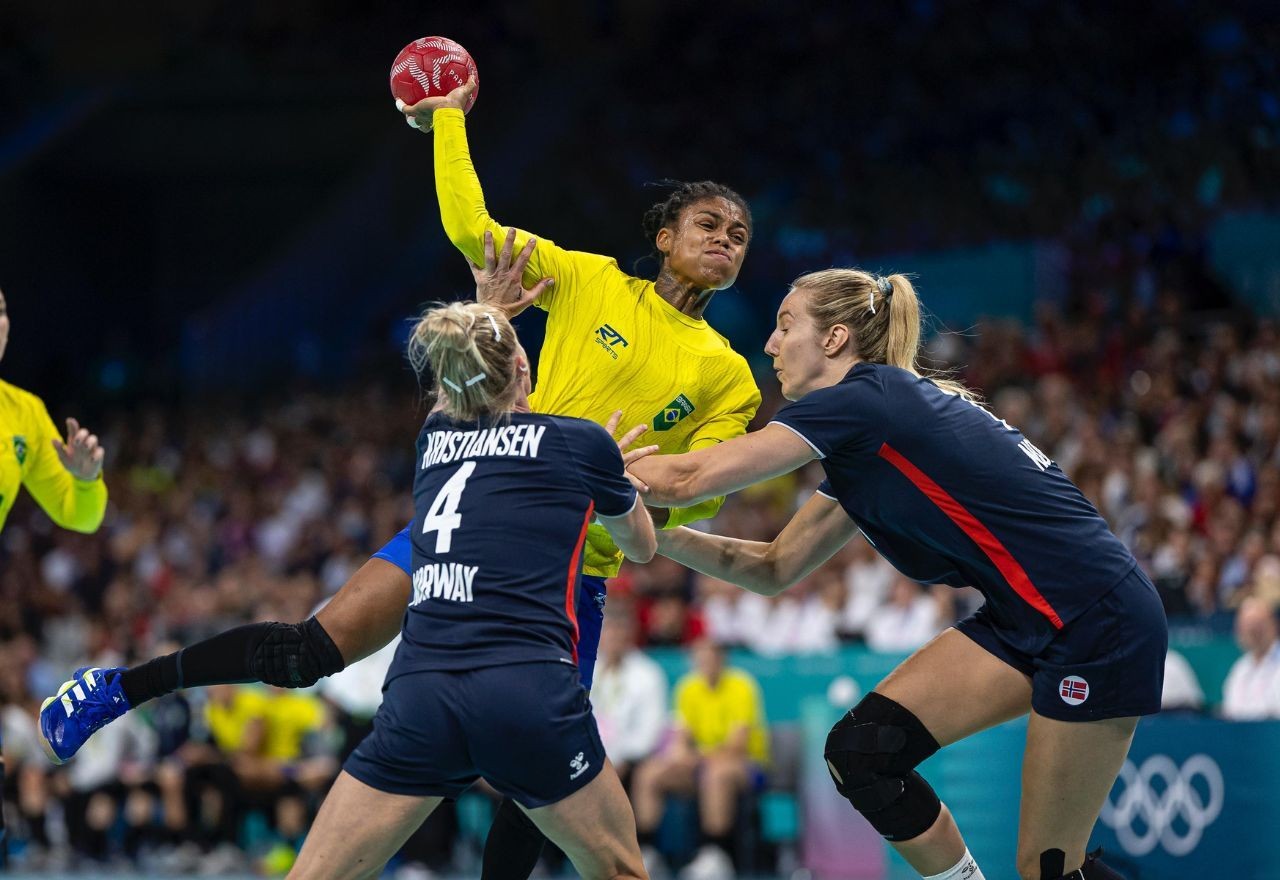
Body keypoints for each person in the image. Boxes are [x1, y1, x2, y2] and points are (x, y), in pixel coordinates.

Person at [43, 74, 760, 880]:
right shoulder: (593, 281)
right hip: (472, 514)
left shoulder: (729, 375)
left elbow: (709, 483)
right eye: (709, 223)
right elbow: (473, 231)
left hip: (565, 570)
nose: (727, 239)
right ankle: (117, 691)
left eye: (739, 233)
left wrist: (638, 477)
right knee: (311, 649)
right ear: (664, 236)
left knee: (538, 787)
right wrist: (448, 119)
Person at [628, 268, 1167, 880]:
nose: (771, 346)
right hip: (1026, 619)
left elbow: (689, 478)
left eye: (784, 327)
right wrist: (655, 538)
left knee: (1050, 870)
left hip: (1098, 620)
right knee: (863, 752)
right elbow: (774, 568)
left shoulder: (863, 401)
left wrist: (582, 464)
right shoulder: (870, 436)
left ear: (833, 339)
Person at [285, 302, 657, 879]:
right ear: (523, 368)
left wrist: (486, 311)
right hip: (525, 688)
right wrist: (615, 480)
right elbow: (641, 549)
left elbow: (458, 389)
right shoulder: (582, 443)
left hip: (421, 693)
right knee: (620, 871)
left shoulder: (433, 438)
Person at [1, 287, 109, 865]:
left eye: (0, 310)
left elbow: (79, 516)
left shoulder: (21, 412)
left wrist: (87, 479)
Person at [631, 638, 768, 880]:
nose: (706, 663)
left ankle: (716, 853)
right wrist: (679, 755)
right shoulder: (688, 688)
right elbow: (681, 736)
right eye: (700, 659)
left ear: (722, 660)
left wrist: (695, 756)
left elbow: (737, 746)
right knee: (649, 773)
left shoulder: (741, 686)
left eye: (711, 658)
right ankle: (648, 850)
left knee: (715, 775)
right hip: (701, 764)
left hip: (747, 767)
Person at [1220, 597, 1280, 719]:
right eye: (1247, 627)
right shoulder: (1239, 668)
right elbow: (1230, 712)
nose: (1253, 632)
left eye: (1259, 625)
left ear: (1274, 625)